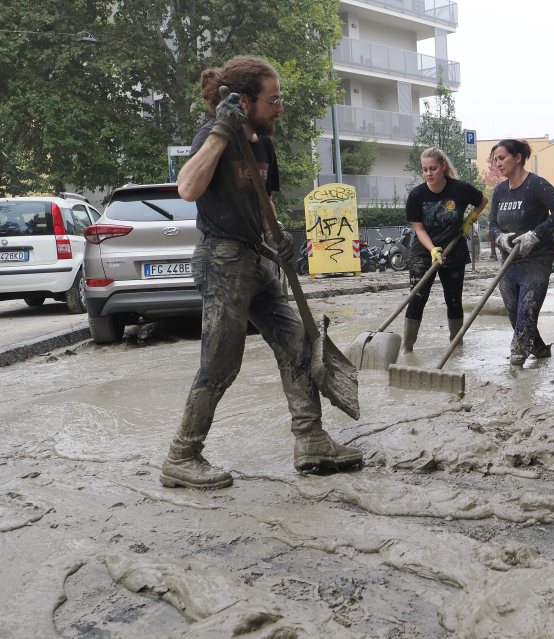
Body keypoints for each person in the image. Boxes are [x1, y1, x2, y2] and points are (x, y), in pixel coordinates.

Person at [160, 56, 362, 490]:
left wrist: (279, 240)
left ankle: (310, 440)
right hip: (221, 260)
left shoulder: (263, 146)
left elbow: (262, 205)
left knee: (298, 341)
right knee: (220, 364)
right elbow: (188, 188)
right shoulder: (215, 137)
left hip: (257, 258)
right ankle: (182, 455)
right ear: (243, 101)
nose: (280, 107)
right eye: (273, 100)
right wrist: (220, 130)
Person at [489, 139, 554, 367]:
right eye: (495, 160)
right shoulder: (500, 191)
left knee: (527, 309)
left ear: (518, 158)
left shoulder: (537, 185)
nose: (498, 163)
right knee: (515, 313)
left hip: (536, 260)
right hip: (510, 261)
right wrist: (499, 238)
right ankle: (540, 349)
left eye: (502, 158)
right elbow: (492, 225)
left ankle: (517, 357)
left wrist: (535, 234)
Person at [402, 147, 487, 351]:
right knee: (417, 298)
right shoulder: (417, 195)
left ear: (443, 167)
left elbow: (482, 201)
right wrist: (433, 249)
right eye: (425, 169)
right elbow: (419, 229)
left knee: (454, 300)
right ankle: (407, 348)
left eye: (433, 168)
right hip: (424, 251)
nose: (429, 174)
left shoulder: (460, 189)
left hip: (453, 249)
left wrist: (468, 222)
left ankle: (456, 347)